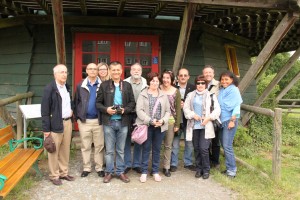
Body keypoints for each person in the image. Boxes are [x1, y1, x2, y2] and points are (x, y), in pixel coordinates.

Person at [96, 61, 135, 183]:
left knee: (120, 149)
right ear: (110, 71)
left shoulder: (127, 85)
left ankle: (120, 172)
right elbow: (98, 103)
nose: (116, 72)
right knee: (109, 150)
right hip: (109, 122)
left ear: (121, 71)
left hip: (123, 122)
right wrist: (106, 109)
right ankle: (108, 172)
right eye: (113, 70)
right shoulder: (104, 85)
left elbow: (132, 103)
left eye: (118, 69)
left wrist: (125, 110)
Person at [41, 64, 75, 185]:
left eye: (66, 72)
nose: (64, 74)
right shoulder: (49, 88)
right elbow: (44, 111)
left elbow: (68, 102)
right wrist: (46, 130)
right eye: (61, 72)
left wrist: (71, 110)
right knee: (54, 150)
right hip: (55, 123)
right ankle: (54, 175)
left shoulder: (66, 86)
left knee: (65, 149)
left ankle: (63, 173)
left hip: (67, 122)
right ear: (55, 74)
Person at [183, 75, 221, 179]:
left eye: (202, 83)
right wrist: (193, 115)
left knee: (204, 148)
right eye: (198, 83)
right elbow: (186, 109)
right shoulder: (191, 95)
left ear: (206, 84)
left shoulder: (211, 95)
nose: (200, 85)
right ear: (196, 84)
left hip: (206, 126)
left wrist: (208, 118)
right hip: (194, 126)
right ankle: (199, 169)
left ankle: (206, 169)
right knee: (196, 148)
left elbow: (217, 110)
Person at [135, 72, 170, 183]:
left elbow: (168, 111)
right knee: (146, 149)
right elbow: (139, 110)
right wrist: (150, 120)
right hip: (147, 126)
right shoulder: (143, 94)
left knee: (157, 149)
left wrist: (163, 120)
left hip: (160, 126)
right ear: (149, 82)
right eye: (152, 80)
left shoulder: (163, 95)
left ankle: (155, 171)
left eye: (156, 81)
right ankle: (144, 171)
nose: (154, 83)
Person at [74, 63, 105, 178]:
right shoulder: (80, 85)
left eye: (95, 69)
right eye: (90, 69)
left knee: (99, 145)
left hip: (98, 120)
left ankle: (99, 167)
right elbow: (76, 102)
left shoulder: (103, 85)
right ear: (86, 71)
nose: (92, 71)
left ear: (97, 71)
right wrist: (78, 117)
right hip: (84, 121)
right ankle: (86, 167)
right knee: (85, 145)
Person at [218, 71, 243, 178]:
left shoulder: (234, 90)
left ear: (232, 80)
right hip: (222, 120)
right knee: (225, 145)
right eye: (222, 79)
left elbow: (237, 106)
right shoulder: (222, 90)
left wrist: (233, 120)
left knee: (227, 146)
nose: (224, 81)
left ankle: (232, 170)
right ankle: (229, 168)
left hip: (229, 120)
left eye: (226, 79)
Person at [124, 63, 147, 174]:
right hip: (128, 114)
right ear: (130, 71)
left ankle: (137, 164)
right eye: (134, 69)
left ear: (141, 72)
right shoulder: (124, 83)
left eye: (138, 69)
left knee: (139, 139)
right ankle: (127, 164)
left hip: (141, 115)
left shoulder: (146, 84)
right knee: (126, 139)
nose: (136, 71)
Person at [170, 68, 196, 172]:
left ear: (188, 77)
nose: (183, 77)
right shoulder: (172, 88)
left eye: (185, 75)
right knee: (175, 143)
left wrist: (186, 105)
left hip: (188, 120)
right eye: (181, 75)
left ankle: (188, 162)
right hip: (176, 120)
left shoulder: (193, 88)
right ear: (178, 77)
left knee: (189, 143)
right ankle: (173, 163)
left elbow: (196, 103)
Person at [160, 70, 181, 177]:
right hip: (158, 121)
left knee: (168, 145)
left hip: (171, 121)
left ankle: (166, 167)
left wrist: (177, 124)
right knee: (156, 145)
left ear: (171, 79)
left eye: (168, 78)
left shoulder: (176, 91)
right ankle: (154, 166)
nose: (165, 80)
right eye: (164, 77)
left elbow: (178, 109)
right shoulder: (158, 88)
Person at [202, 65, 221, 169]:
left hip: (215, 116)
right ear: (203, 74)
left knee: (215, 140)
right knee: (205, 140)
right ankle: (207, 160)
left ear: (213, 74)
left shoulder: (219, 84)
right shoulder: (201, 84)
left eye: (210, 72)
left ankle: (215, 161)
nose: (208, 74)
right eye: (206, 72)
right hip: (204, 117)